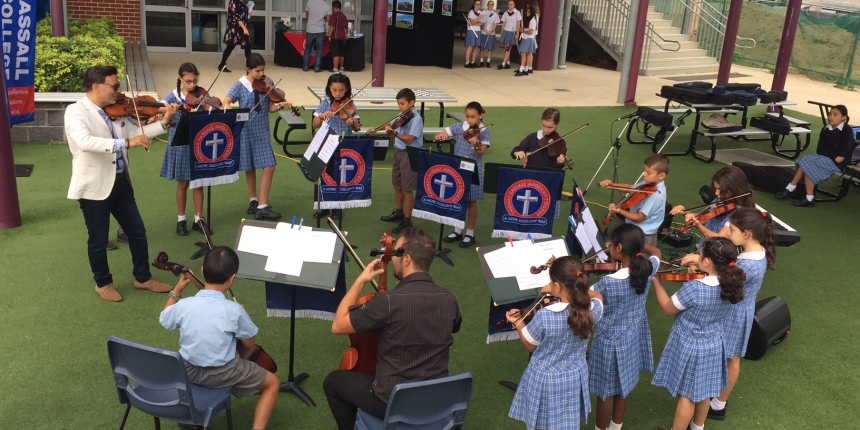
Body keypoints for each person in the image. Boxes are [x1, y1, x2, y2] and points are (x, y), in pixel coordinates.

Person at [324, 227, 462, 430]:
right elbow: (454, 327)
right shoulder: (450, 299)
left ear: (406, 259)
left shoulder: (387, 302)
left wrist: (361, 280)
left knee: (333, 382)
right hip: (435, 400)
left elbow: (338, 326)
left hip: (392, 401)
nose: (393, 258)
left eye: (396, 253)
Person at [66, 65, 179, 302]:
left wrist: (165, 121)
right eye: (115, 86)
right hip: (93, 186)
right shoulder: (76, 112)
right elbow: (85, 142)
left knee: (137, 232)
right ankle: (103, 283)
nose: (119, 90)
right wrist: (125, 144)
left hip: (120, 182)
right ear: (96, 87)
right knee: (98, 239)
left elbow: (137, 130)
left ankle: (143, 278)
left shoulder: (115, 111)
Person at [159, 246, 280, 430]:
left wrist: (176, 292)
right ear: (232, 279)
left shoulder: (185, 305)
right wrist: (243, 315)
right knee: (273, 383)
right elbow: (249, 343)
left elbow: (165, 318)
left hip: (188, 371)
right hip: (224, 373)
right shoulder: (234, 310)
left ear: (202, 271)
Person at [679, 208, 775, 422]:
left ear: (746, 234)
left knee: (730, 358)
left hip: (734, 313)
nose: (728, 233)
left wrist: (699, 261)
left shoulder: (747, 264)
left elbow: (723, 279)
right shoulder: (756, 252)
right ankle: (718, 402)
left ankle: (718, 404)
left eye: (732, 230)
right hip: (743, 310)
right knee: (732, 357)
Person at [651, 237, 745, 430]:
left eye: (701, 256)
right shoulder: (731, 284)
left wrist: (656, 282)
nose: (698, 257)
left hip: (690, 345)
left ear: (708, 262)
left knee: (686, 396)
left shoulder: (694, 288)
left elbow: (668, 309)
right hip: (713, 343)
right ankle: (697, 427)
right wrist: (699, 271)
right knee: (704, 390)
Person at [506, 256, 604, 430]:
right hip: (573, 377)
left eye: (552, 283)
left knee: (540, 422)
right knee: (567, 422)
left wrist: (518, 322)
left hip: (545, 381)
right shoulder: (592, 310)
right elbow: (597, 296)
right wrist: (571, 288)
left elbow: (531, 344)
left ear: (557, 287)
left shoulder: (545, 315)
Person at [589, 224, 659, 430]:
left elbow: (590, 296)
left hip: (608, 342)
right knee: (623, 387)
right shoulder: (649, 268)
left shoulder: (607, 283)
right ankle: (615, 426)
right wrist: (639, 247)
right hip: (632, 337)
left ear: (619, 248)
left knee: (605, 392)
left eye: (611, 244)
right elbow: (655, 252)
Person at [222, 54, 293, 221]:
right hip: (245, 131)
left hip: (262, 131)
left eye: (263, 70)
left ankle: (262, 206)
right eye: (257, 71)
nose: (261, 74)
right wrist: (229, 108)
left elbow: (270, 108)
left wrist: (281, 105)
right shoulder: (240, 85)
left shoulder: (267, 83)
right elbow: (226, 101)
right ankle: (254, 200)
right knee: (250, 166)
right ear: (249, 69)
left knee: (269, 166)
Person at [159, 62, 209, 237]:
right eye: (188, 81)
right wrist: (168, 109)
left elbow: (210, 111)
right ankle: (181, 219)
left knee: (199, 182)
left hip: (197, 142)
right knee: (183, 182)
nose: (192, 85)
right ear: (181, 79)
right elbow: (160, 106)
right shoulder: (174, 96)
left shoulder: (201, 94)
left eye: (195, 81)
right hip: (180, 143)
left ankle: (198, 219)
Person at [775, 104, 856, 207]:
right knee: (807, 162)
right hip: (827, 158)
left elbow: (843, 153)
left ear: (844, 117)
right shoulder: (825, 130)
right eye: (830, 114)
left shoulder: (847, 131)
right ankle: (808, 198)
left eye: (835, 115)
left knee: (806, 162)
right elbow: (820, 150)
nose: (831, 117)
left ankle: (791, 188)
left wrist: (833, 154)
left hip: (840, 162)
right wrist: (833, 154)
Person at [434, 101, 490, 247]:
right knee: (457, 198)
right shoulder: (460, 127)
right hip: (458, 168)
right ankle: (457, 230)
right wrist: (440, 136)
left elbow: (480, 153)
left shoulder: (484, 131)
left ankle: (470, 234)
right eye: (468, 117)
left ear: (481, 115)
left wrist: (475, 145)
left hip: (473, 169)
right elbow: (442, 133)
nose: (470, 120)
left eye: (473, 117)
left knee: (471, 201)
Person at [312, 73, 362, 220]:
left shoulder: (350, 104)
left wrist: (352, 123)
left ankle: (337, 206)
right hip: (326, 142)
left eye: (341, 90)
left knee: (339, 176)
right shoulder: (325, 102)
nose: (338, 94)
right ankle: (324, 205)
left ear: (346, 89)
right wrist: (321, 116)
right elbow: (314, 124)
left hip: (342, 144)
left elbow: (358, 128)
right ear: (329, 88)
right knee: (324, 174)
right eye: (334, 90)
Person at [375, 88, 424, 234]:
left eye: (402, 104)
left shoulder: (416, 119)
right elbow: (395, 130)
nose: (400, 107)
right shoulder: (402, 115)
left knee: (407, 189)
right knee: (397, 185)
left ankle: (407, 221)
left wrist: (394, 132)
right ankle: (399, 213)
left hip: (410, 154)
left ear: (412, 103)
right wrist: (386, 130)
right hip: (398, 151)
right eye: (399, 104)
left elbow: (409, 139)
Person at [669, 165, 755, 246]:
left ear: (733, 188)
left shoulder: (739, 214)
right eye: (716, 188)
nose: (716, 193)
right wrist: (684, 212)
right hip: (705, 249)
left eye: (720, 189)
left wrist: (698, 226)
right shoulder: (721, 200)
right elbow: (703, 219)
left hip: (716, 256)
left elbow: (720, 239)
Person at [600, 154, 670, 247]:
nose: (644, 175)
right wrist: (612, 185)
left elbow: (639, 218)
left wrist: (620, 210)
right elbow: (631, 188)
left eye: (648, 173)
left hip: (642, 235)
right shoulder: (649, 182)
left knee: (636, 258)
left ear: (661, 176)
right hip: (633, 228)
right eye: (644, 171)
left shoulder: (657, 195)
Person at [218, 0, 252, 73]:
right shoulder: (233, 2)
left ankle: (250, 68)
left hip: (243, 28)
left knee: (247, 47)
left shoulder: (243, 3)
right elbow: (236, 17)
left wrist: (249, 14)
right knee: (230, 47)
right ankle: (221, 65)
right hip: (235, 28)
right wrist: (244, 29)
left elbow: (244, 17)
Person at [304, 0, 330, 73]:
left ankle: (305, 66)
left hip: (310, 29)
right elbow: (328, 19)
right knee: (319, 50)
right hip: (320, 30)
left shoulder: (309, 2)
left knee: (307, 48)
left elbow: (307, 16)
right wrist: (322, 18)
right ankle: (317, 68)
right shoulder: (327, 5)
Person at [497, 0, 522, 70]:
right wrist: (502, 33)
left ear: (514, 5)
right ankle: (508, 63)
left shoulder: (517, 13)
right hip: (506, 31)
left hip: (512, 32)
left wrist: (517, 33)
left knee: (508, 48)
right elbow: (504, 24)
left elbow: (518, 24)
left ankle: (503, 63)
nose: (510, 6)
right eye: (509, 4)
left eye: (511, 4)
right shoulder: (505, 13)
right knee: (506, 48)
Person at [515, 7, 538, 77]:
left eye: (528, 12)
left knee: (523, 54)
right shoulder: (528, 20)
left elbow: (530, 32)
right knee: (527, 54)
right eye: (527, 11)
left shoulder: (532, 21)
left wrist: (523, 31)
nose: (527, 13)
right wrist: (523, 29)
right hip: (526, 38)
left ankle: (521, 69)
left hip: (528, 39)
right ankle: (526, 69)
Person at [328, 1, 349, 74]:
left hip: (335, 37)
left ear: (334, 7)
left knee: (335, 53)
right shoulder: (344, 16)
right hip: (343, 37)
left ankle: (335, 69)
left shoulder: (334, 15)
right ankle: (341, 68)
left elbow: (331, 27)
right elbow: (346, 28)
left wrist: (329, 35)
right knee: (341, 53)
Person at [478, 1, 500, 68]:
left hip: (491, 33)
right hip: (483, 32)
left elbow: (495, 24)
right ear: (487, 5)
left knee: (490, 48)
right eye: (489, 4)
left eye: (492, 4)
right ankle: (481, 61)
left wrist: (491, 31)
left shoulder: (495, 14)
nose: (490, 6)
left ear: (493, 5)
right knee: (482, 48)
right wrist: (486, 30)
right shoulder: (483, 13)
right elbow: (481, 23)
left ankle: (488, 61)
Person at [464, 0, 483, 68]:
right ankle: (467, 62)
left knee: (476, 47)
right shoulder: (471, 12)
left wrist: (476, 23)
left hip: (478, 31)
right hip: (471, 30)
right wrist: (478, 19)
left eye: (479, 4)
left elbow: (482, 23)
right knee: (470, 46)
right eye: (476, 4)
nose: (478, 5)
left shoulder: (481, 12)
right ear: (473, 4)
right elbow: (471, 23)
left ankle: (473, 61)